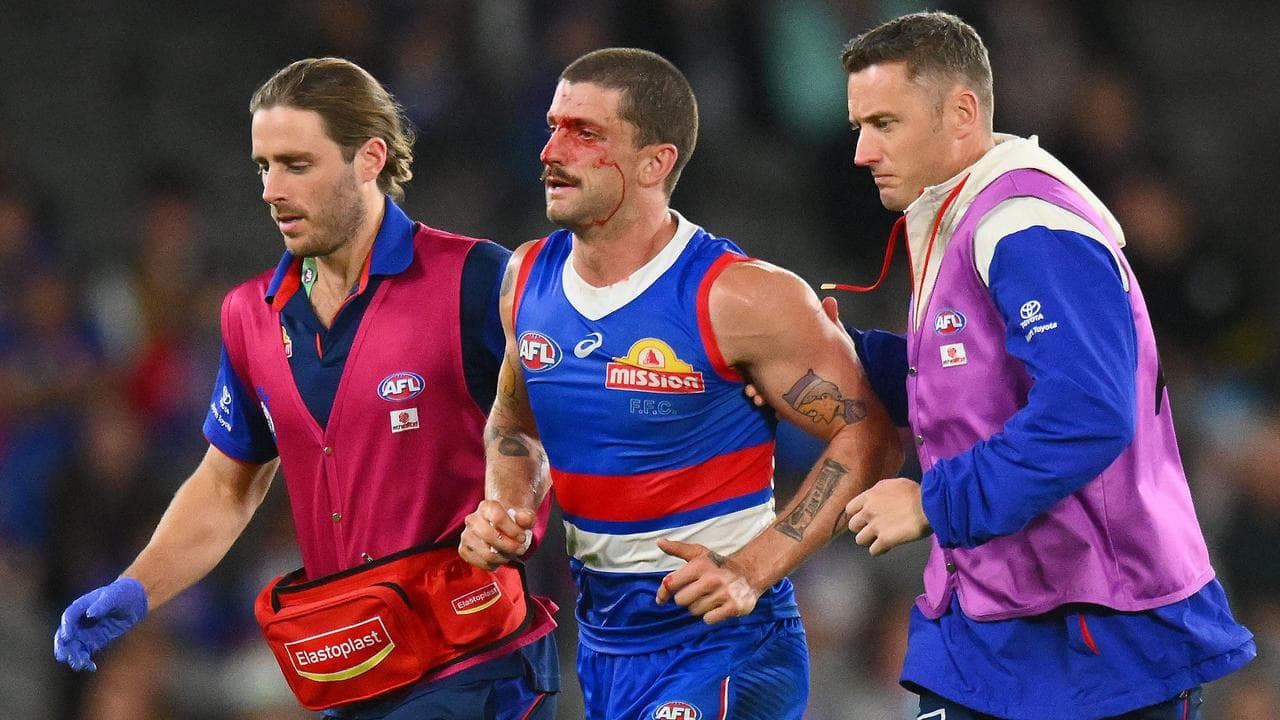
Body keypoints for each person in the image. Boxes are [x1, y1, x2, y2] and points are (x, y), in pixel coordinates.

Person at [52, 57, 560, 720]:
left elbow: (555, 424)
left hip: (474, 664)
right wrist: (139, 586)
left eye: (297, 165)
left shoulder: (470, 278)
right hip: (351, 672)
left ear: (369, 159)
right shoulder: (249, 315)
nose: (271, 189)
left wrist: (513, 510)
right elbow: (227, 483)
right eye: (264, 166)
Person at [832, 12, 1256, 719]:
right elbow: (972, 384)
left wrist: (931, 503)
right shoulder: (959, 217)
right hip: (988, 622)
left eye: (884, 123)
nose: (862, 152)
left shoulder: (1028, 228)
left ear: (962, 112)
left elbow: (1086, 415)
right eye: (858, 127)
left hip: (1099, 632)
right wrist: (841, 354)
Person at [456, 48, 902, 720]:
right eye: (553, 126)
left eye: (584, 133)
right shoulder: (525, 281)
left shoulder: (739, 297)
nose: (551, 150)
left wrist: (754, 568)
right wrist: (508, 508)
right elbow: (515, 425)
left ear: (654, 162)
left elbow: (869, 435)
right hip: (605, 639)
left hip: (726, 639)